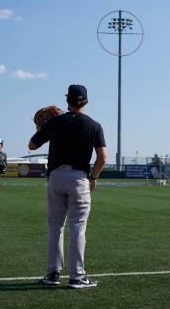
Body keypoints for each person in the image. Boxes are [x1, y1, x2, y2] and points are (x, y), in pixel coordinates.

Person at [28, 84, 107, 289]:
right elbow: (103, 157)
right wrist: (94, 177)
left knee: (55, 228)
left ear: (67, 101)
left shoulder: (55, 122)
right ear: (86, 102)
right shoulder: (94, 125)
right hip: (79, 178)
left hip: (55, 178)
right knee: (78, 229)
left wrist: (42, 129)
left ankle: (53, 274)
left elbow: (32, 145)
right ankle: (77, 277)